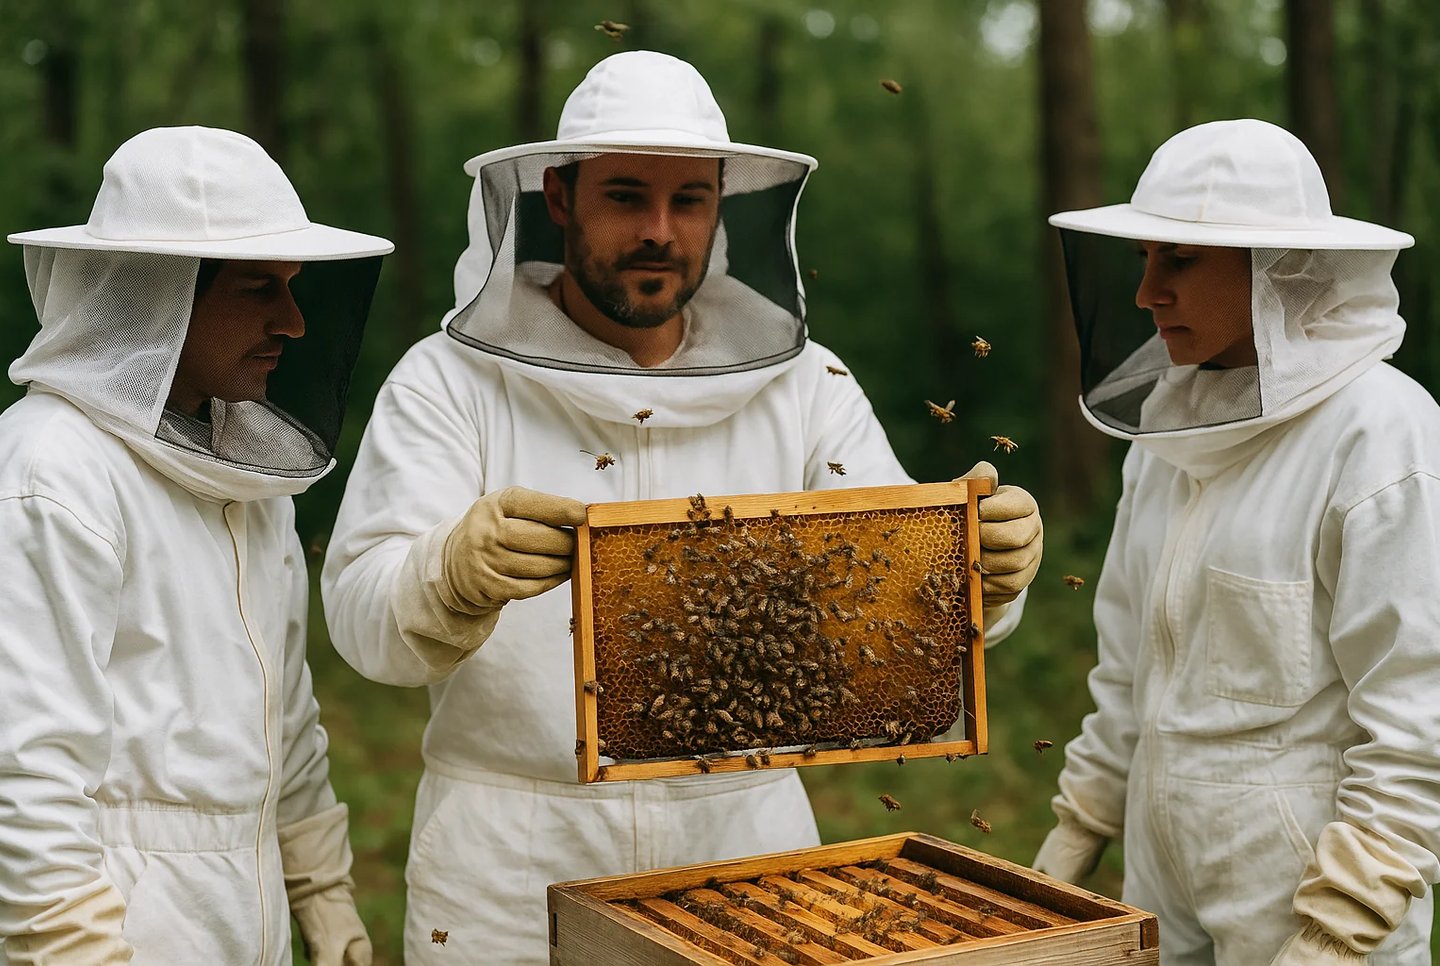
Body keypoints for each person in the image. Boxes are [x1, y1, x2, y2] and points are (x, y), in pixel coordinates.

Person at [321, 51, 1044, 963]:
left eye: (689, 201)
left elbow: (904, 593)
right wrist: (447, 576)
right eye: (626, 196)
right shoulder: (449, 383)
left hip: (746, 845)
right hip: (511, 860)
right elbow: (359, 619)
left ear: (722, 207)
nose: (660, 231)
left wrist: (988, 572)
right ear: (557, 196)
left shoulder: (805, 386)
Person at [1033, 118, 1439, 965]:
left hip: (1306, 896)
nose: (1147, 293)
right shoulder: (1167, 428)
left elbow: (1418, 718)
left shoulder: (1382, 434)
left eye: (1177, 260)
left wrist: (1342, 927)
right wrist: (1081, 825)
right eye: (1144, 259)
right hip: (1159, 874)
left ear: (1273, 266)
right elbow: (1128, 669)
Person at [0, 126, 391, 965]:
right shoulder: (51, 472)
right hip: (116, 928)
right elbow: (21, 773)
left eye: (292, 287)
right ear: (159, 292)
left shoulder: (248, 478)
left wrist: (318, 888)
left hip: (243, 922)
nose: (292, 321)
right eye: (259, 288)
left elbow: (281, 715)